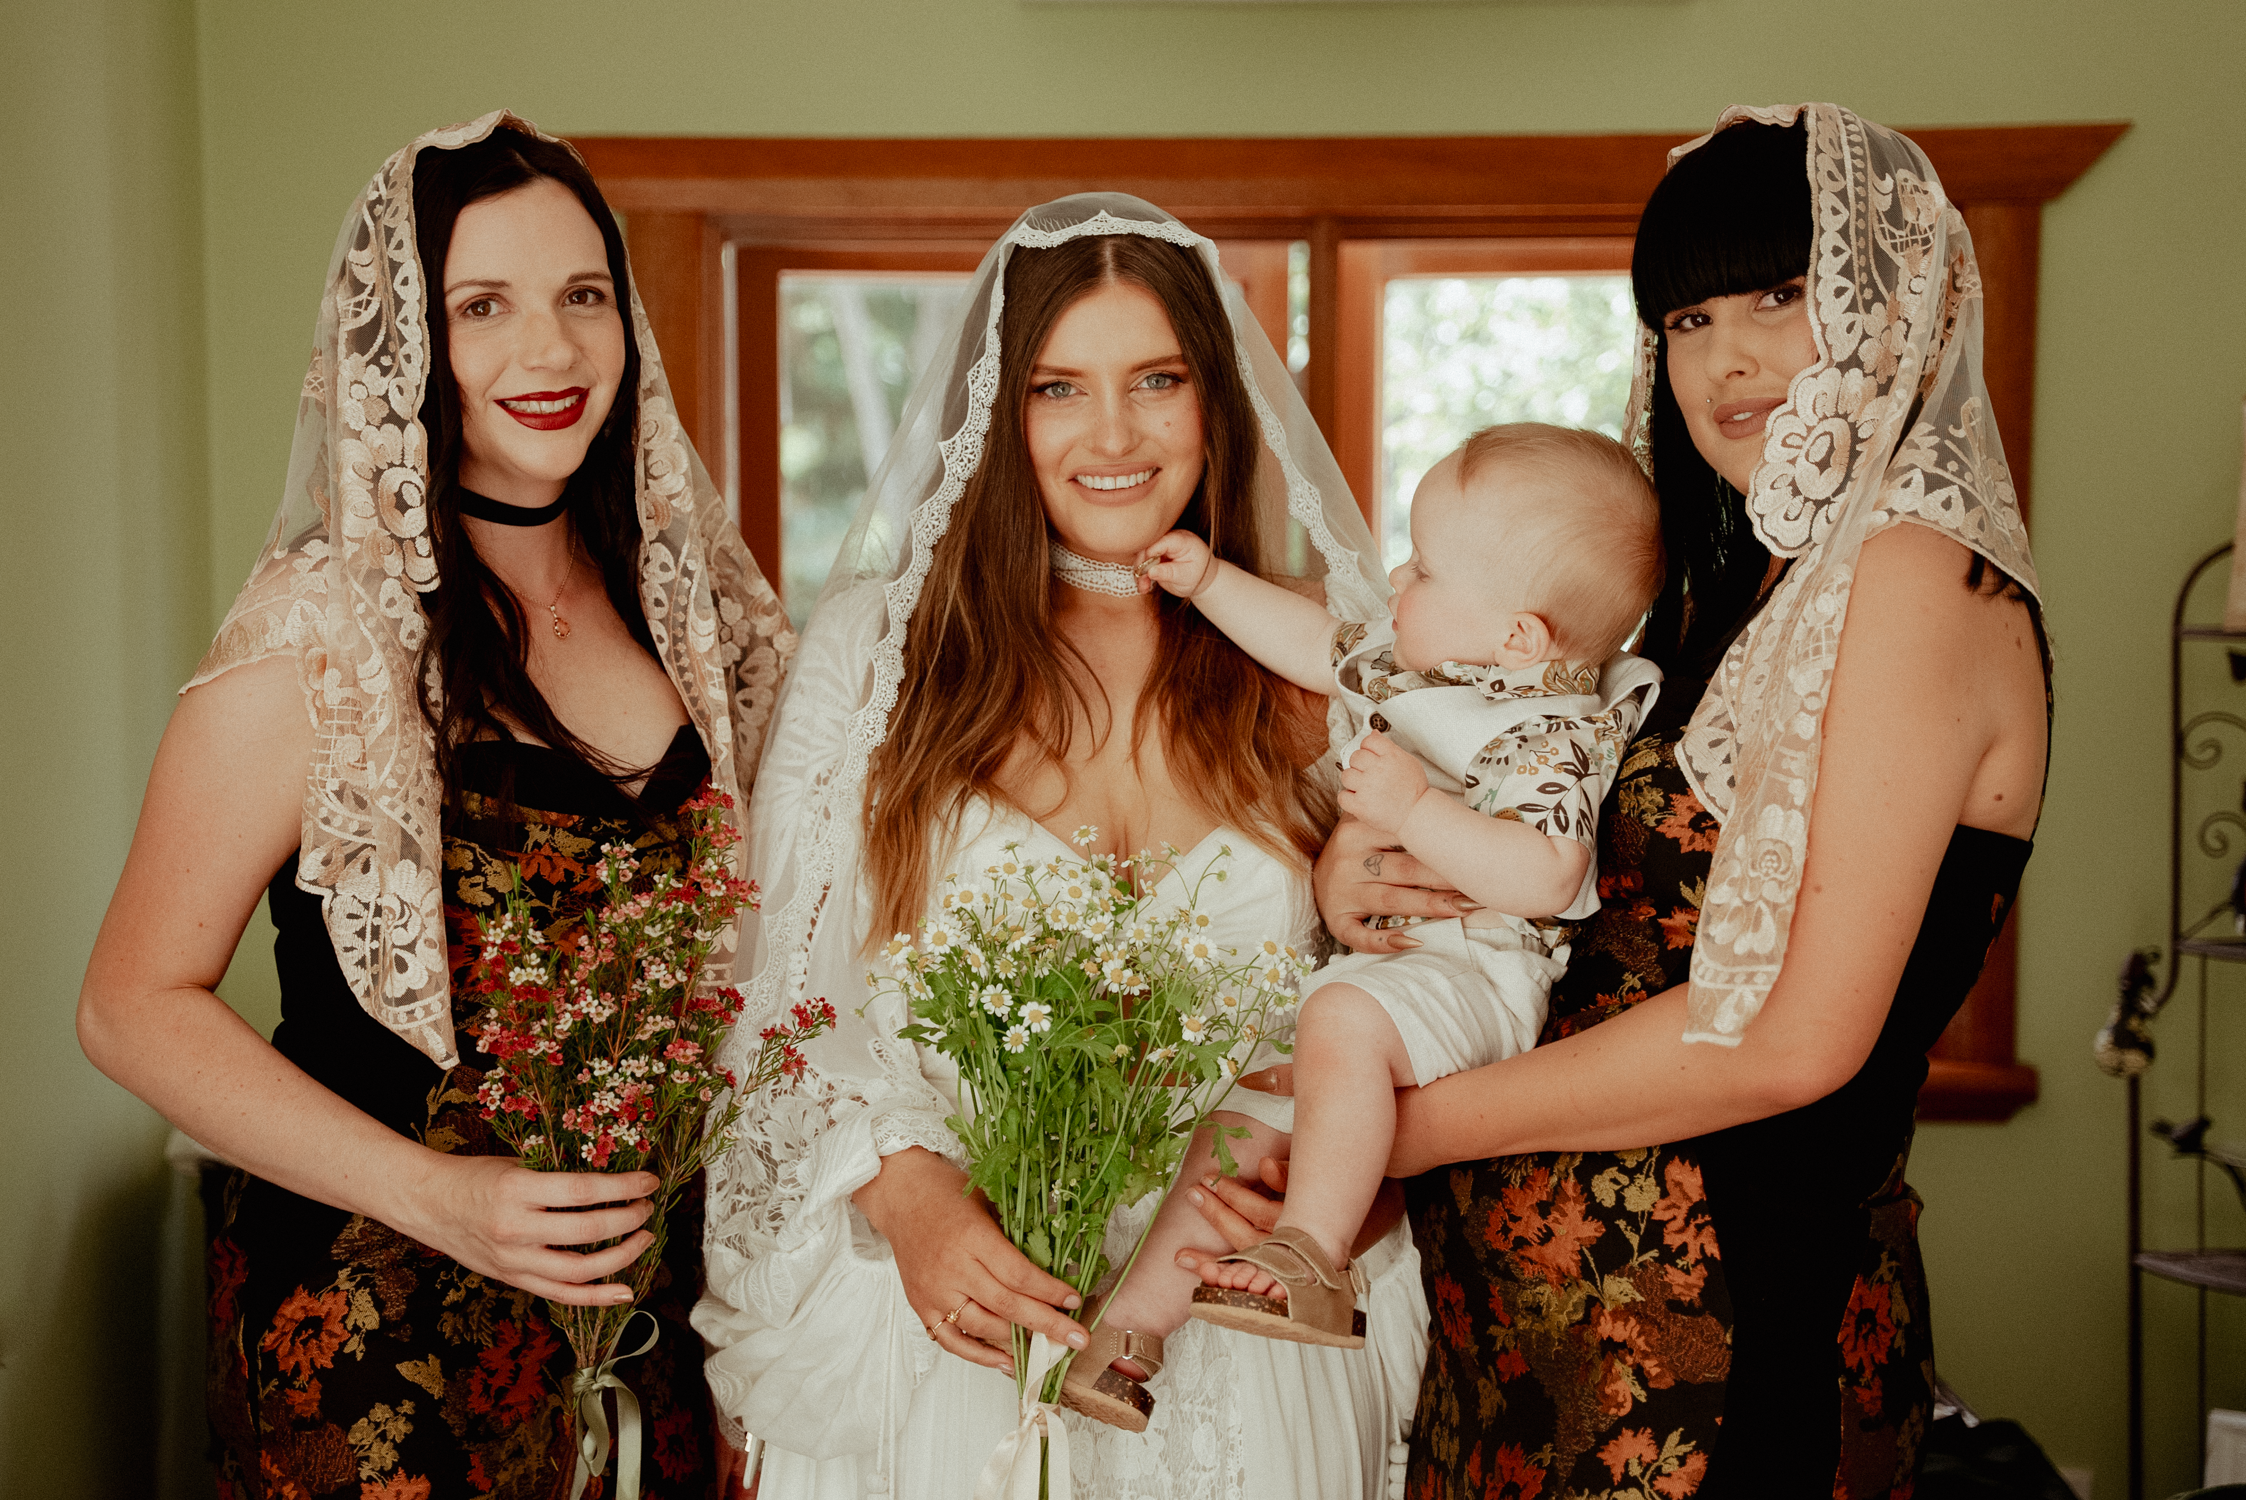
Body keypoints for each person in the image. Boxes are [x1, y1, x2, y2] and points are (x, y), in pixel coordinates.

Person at [1296, 104, 2049, 1497]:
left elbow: (1785, 1038)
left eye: (1778, 294)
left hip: (1710, 1372)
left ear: (1894, 303)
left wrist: (1397, 1130)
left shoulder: (1910, 582)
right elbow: (1554, 819)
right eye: (1687, 318)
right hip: (1522, 1351)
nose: (1727, 357)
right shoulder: (1734, 590)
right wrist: (1366, 856)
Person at [76, 113, 793, 1499]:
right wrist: (436, 1194)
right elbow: (128, 1003)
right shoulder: (318, 631)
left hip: (641, 1322)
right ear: (404, 342)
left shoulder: (692, 615)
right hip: (375, 1342)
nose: (552, 351)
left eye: (583, 296)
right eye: (484, 305)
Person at [692, 194, 1428, 1500]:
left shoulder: (1326, 667)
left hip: (1238, 1355)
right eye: (1057, 388)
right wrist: (904, 1195)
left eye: (1157, 380)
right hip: (952, 1341)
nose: (1113, 437)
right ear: (994, 413)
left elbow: (1427, 1005)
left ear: (1218, 403)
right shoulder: (878, 654)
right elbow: (776, 1011)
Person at [1117, 425, 1660, 1347]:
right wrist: (1208, 582)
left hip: (1479, 979)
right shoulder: (1425, 670)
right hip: (1394, 981)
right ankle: (1131, 1332)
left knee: (1337, 1028)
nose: (1399, 580)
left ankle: (1311, 1262)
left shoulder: (1550, 736)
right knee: (1239, 1121)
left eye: (1426, 570)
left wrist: (1414, 814)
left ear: (1518, 636)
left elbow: (1545, 873)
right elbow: (1315, 644)